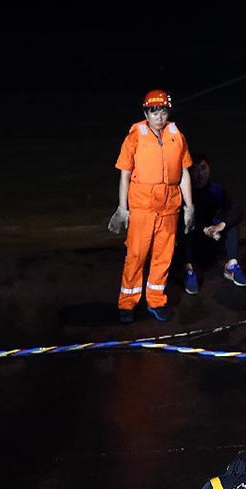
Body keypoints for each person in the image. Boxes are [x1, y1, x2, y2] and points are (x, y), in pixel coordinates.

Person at [108, 89, 194, 324]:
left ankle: (156, 300)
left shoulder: (178, 136)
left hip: (170, 205)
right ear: (146, 113)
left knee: (163, 256)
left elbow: (185, 172)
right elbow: (124, 175)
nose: (159, 117)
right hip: (142, 205)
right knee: (136, 255)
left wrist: (190, 206)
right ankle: (127, 303)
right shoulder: (134, 138)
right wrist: (122, 208)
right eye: (154, 112)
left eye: (163, 111)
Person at [179, 151, 246, 294]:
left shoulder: (216, 190)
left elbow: (238, 210)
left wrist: (221, 225)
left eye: (203, 168)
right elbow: (178, 219)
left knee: (230, 223)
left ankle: (232, 266)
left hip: (213, 238)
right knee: (184, 226)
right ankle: (189, 270)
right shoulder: (184, 192)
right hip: (192, 240)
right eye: (195, 169)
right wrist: (204, 228)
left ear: (209, 169)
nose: (199, 174)